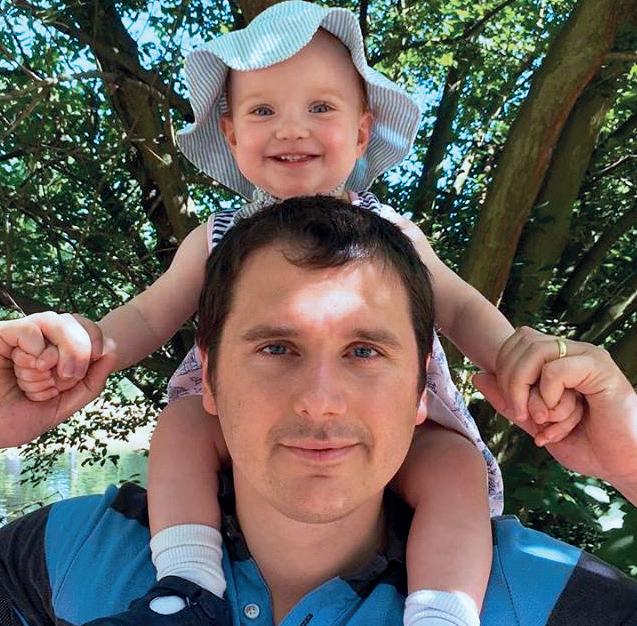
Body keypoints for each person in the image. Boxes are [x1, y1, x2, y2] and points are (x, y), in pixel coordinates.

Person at [4, 3, 580, 625]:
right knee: (181, 425)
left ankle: (442, 610)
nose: (291, 129)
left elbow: (461, 308)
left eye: (320, 107)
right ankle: (187, 583)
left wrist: (517, 359)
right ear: (231, 135)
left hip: (398, 420)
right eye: (263, 111)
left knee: (454, 467)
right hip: (238, 415)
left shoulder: (393, 235)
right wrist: (85, 345)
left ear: (362, 132)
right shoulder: (216, 238)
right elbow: (147, 319)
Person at [0, 198, 636, 626]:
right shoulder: (72, 555)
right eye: (277, 348)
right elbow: (140, 316)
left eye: (364, 351)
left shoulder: (535, 595)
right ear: (208, 376)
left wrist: (629, 461)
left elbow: (467, 312)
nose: (321, 399)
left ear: (424, 386)